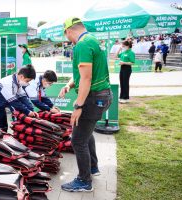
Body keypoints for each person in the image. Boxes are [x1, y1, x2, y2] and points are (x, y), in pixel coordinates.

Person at [59, 17, 112, 192]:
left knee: (78, 140)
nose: (68, 40)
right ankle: (93, 167)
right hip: (102, 95)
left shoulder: (82, 44)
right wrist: (68, 85)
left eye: (66, 36)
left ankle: (84, 181)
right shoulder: (92, 40)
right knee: (86, 133)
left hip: (92, 98)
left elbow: (86, 78)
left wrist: (78, 106)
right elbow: (82, 75)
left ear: (69, 31)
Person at [0, 65, 38, 131]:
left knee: (4, 126)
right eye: (27, 81)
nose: (27, 83)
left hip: (2, 104)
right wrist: (28, 112)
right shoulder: (8, 83)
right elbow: (14, 102)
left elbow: (23, 97)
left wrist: (31, 110)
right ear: (21, 76)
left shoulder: (17, 82)